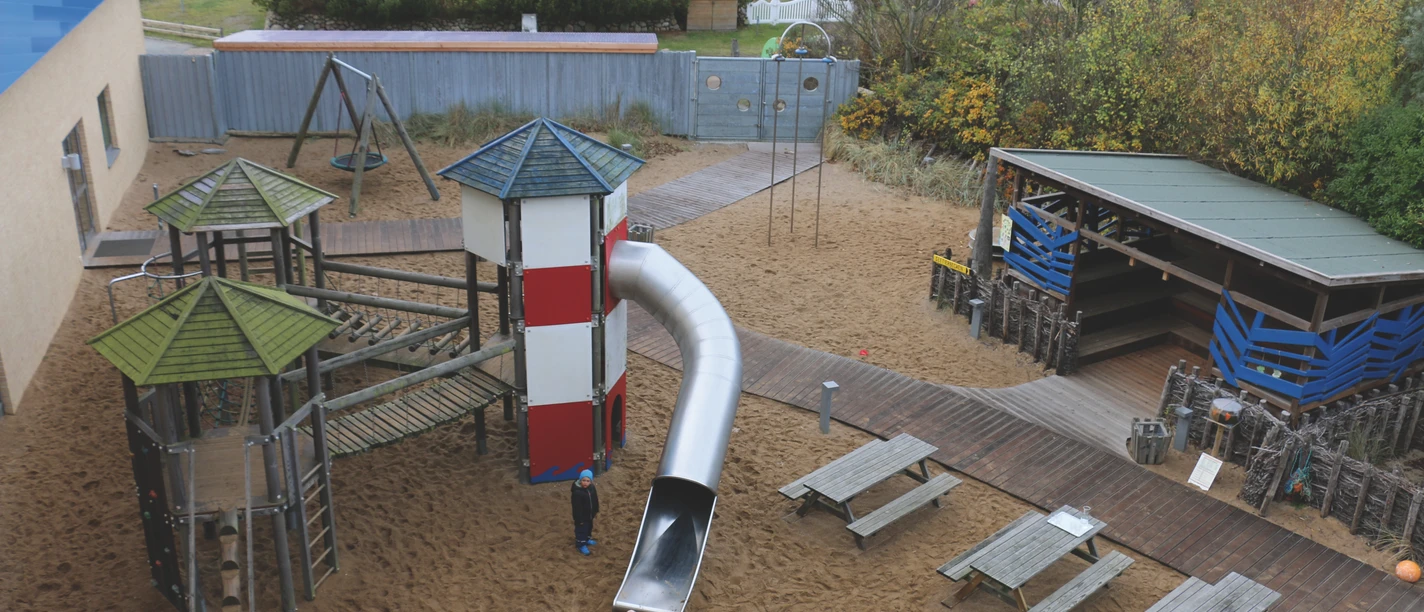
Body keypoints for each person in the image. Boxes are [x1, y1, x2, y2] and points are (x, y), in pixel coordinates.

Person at [570, 469, 600, 556]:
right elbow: (576, 508)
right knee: (581, 530)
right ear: (580, 480)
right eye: (583, 480)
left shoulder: (592, 488)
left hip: (590, 515)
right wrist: (579, 519)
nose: (585, 483)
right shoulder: (577, 492)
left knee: (589, 528)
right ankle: (581, 544)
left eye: (588, 481)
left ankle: (587, 539)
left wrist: (596, 509)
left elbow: (595, 499)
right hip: (581, 517)